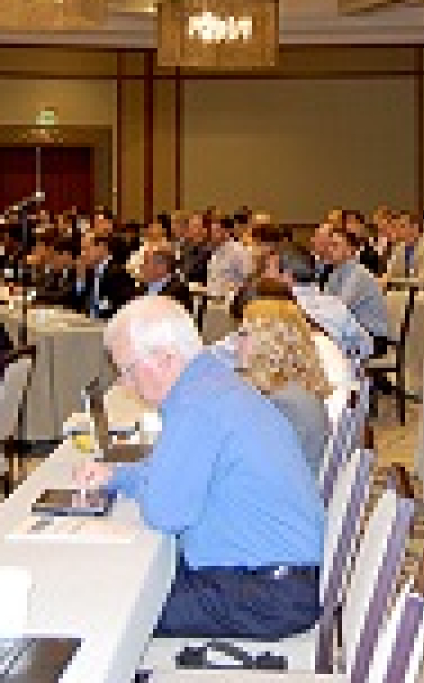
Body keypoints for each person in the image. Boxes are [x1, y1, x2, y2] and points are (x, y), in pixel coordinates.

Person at [75, 297, 323, 639]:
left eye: (128, 369)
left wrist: (142, 481)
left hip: (263, 593)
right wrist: (119, 476)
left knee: (107, 605)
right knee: (124, 580)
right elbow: (173, 472)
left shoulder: (197, 404)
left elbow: (166, 512)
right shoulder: (211, 385)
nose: (125, 384)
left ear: (165, 357)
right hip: (269, 577)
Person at [238, 298, 332, 475]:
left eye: (244, 334)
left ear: (271, 342)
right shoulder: (293, 387)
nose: (237, 342)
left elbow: (252, 469)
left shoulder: (282, 403)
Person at [319, 228, 391, 353]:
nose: (329, 250)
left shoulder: (358, 274)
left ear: (350, 250)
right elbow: (323, 304)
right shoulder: (334, 273)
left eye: (335, 245)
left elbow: (339, 308)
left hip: (373, 338)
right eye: (328, 245)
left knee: (324, 349)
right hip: (353, 332)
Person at [70, 232, 136, 321]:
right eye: (82, 250)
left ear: (101, 248)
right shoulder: (88, 271)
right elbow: (73, 303)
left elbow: (116, 305)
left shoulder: (119, 273)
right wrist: (81, 279)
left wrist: (92, 315)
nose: (82, 254)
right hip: (87, 322)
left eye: (86, 249)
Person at [383, 210, 424, 289]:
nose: (398, 230)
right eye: (397, 226)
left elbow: (422, 281)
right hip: (405, 293)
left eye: (402, 226)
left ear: (415, 228)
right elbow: (390, 273)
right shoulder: (398, 249)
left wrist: (392, 282)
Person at [138, 246, 197, 310]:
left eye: (146, 262)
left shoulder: (178, 293)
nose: (141, 266)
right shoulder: (140, 288)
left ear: (161, 267)